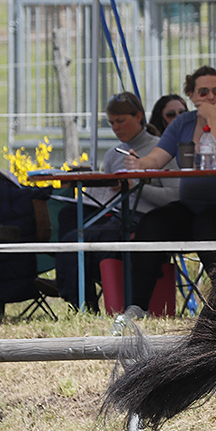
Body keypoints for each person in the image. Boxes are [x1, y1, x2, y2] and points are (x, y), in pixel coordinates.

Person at [123, 65, 216, 313]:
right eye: (204, 92)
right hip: (194, 208)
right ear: (191, 96)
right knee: (152, 224)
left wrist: (213, 119)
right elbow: (157, 159)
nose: (211, 96)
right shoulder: (182, 122)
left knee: (208, 224)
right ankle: (138, 306)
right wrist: (137, 163)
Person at [53, 91, 180, 311]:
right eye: (111, 123)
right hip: (117, 217)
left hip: (145, 222)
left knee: (76, 241)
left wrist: (136, 186)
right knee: (69, 218)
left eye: (121, 121)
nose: (116, 127)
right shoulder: (113, 154)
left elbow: (174, 196)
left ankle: (82, 304)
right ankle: (79, 298)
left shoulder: (161, 149)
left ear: (139, 116)